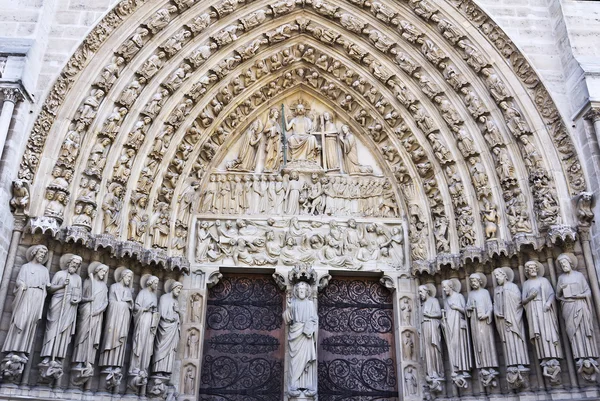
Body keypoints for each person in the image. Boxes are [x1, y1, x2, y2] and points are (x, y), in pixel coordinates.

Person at [2, 245, 50, 358]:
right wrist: (22, 285)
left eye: (44, 255)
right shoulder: (25, 267)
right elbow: (19, 281)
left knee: (30, 323)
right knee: (20, 320)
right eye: (40, 253)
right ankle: (12, 349)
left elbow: (47, 285)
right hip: (25, 295)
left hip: (38, 297)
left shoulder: (45, 270)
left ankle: (23, 350)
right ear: (34, 253)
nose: (42, 256)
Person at [556, 253, 597, 360]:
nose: (563, 265)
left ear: (570, 263)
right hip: (568, 307)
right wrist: (561, 289)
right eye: (561, 264)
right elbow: (557, 296)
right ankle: (578, 355)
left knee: (583, 328)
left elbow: (588, 291)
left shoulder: (579, 275)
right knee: (573, 331)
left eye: (564, 263)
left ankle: (589, 354)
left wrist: (580, 296)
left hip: (580, 305)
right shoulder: (561, 278)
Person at [522, 260, 562, 360]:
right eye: (530, 269)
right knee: (539, 333)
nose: (532, 270)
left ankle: (554, 355)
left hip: (545, 309)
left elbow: (552, 294)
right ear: (527, 271)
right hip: (533, 310)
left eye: (534, 268)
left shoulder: (544, 281)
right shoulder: (526, 284)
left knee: (548, 331)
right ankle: (544, 357)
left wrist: (548, 303)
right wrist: (530, 297)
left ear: (537, 269)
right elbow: (523, 301)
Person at [284, 282, 317, 396]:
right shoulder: (292, 303)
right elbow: (287, 319)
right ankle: (293, 384)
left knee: (306, 360)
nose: (301, 291)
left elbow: (314, 319)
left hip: (306, 336)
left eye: (303, 290)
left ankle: (307, 384)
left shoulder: (310, 304)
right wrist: (288, 310)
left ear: (307, 291)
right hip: (295, 335)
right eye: (299, 290)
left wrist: (310, 327)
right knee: (294, 361)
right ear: (296, 292)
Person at [493, 267, 529, 368]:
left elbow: (518, 301)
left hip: (513, 318)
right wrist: (496, 312)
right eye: (495, 277)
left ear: (504, 276)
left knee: (517, 339)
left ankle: (521, 362)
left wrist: (507, 295)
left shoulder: (512, 287)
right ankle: (511, 364)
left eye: (498, 276)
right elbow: (495, 304)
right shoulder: (496, 290)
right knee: (507, 343)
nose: (497, 278)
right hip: (502, 320)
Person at [152, 281, 183, 375]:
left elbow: (180, 317)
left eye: (181, 289)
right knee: (161, 347)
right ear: (173, 288)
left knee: (170, 351)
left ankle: (166, 371)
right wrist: (171, 318)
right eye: (178, 288)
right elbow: (161, 313)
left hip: (173, 329)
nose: (179, 291)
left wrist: (178, 313)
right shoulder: (164, 298)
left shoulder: (176, 301)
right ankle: (158, 371)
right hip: (164, 328)